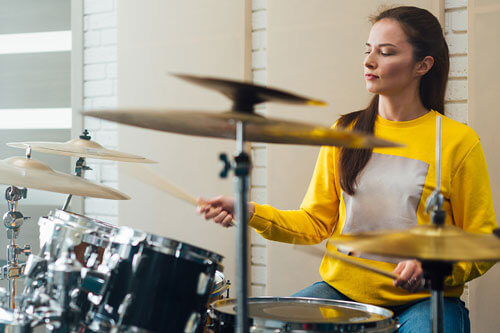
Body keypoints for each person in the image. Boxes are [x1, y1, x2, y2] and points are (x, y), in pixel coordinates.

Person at [198, 6, 497, 333]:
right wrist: (249, 210)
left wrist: (435, 266)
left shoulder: (457, 142)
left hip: (426, 300)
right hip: (342, 294)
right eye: (368, 50)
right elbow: (314, 223)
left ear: (423, 66)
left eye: (385, 52)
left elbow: (483, 242)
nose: (369, 61)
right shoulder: (345, 131)